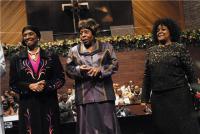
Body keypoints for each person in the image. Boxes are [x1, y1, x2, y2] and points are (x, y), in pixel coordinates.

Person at [141, 18, 200, 134]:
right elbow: (147, 76)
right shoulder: (151, 51)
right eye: (157, 30)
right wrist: (144, 98)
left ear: (171, 32)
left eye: (163, 29)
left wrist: (196, 91)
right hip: (158, 99)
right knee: (164, 128)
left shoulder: (179, 48)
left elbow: (191, 72)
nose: (160, 32)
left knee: (184, 128)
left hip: (179, 96)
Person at [66, 18, 121, 134]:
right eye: (81, 33)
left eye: (86, 32)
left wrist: (100, 70)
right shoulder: (74, 51)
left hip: (104, 94)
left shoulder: (107, 47)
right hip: (84, 95)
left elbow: (114, 65)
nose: (83, 35)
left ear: (93, 33)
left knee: (108, 127)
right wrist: (78, 69)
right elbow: (68, 70)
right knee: (87, 129)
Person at [9, 25, 65, 134]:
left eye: (31, 34)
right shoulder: (16, 58)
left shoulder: (51, 56)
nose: (27, 37)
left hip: (48, 103)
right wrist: (30, 86)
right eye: (25, 35)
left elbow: (60, 79)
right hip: (28, 104)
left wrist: (46, 86)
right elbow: (13, 84)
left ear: (38, 36)